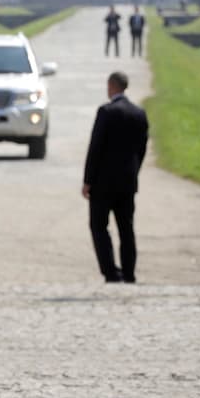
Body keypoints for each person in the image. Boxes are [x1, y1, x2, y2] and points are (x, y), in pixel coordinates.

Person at [82, 71, 149, 283]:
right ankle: (129, 273)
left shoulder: (106, 112)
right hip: (128, 181)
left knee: (99, 226)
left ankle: (111, 271)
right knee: (126, 228)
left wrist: (88, 180)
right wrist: (134, 171)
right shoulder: (139, 114)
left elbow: (96, 147)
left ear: (111, 86)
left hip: (103, 183)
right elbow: (142, 149)